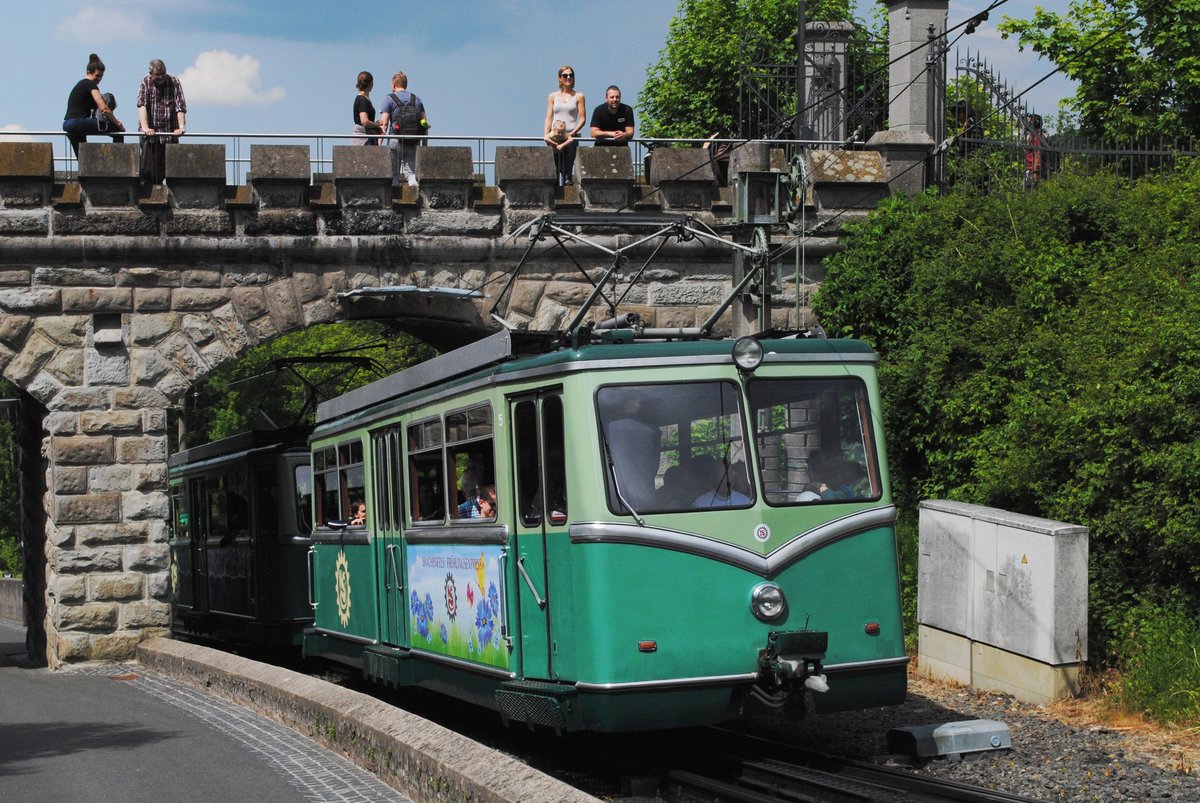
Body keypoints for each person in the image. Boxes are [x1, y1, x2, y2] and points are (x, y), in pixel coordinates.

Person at [62, 54, 126, 156]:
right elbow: (104, 108)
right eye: (97, 75)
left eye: (101, 76)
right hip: (77, 122)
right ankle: (117, 160)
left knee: (83, 158)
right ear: (89, 73)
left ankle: (85, 171)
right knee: (117, 131)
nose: (99, 79)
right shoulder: (89, 84)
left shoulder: (81, 84)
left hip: (68, 124)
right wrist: (117, 123)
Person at [137, 59, 187, 186]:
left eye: (163, 74)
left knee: (170, 167)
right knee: (149, 169)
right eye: (157, 75)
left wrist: (181, 127)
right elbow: (142, 105)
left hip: (170, 131)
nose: (161, 77)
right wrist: (145, 128)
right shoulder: (146, 82)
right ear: (151, 74)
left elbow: (180, 106)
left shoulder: (173, 81)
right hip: (151, 133)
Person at [379, 71, 427, 188]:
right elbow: (424, 123)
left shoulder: (389, 99)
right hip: (413, 141)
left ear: (393, 85)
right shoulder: (417, 99)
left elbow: (384, 122)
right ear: (405, 85)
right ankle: (414, 191)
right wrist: (425, 145)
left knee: (394, 175)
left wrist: (379, 142)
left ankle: (394, 197)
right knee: (411, 174)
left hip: (395, 140)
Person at [544, 65, 585, 186]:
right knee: (556, 164)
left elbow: (582, 118)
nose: (568, 77)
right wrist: (546, 134)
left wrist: (573, 132)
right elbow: (549, 116)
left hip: (571, 133)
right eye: (565, 75)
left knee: (568, 163)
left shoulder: (578, 96)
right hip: (555, 133)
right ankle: (556, 183)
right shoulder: (553, 96)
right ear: (560, 78)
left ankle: (568, 179)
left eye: (571, 75)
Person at [351, 71, 383, 146]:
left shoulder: (362, 99)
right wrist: (377, 124)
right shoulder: (362, 100)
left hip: (365, 138)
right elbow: (364, 121)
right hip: (363, 140)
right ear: (371, 84)